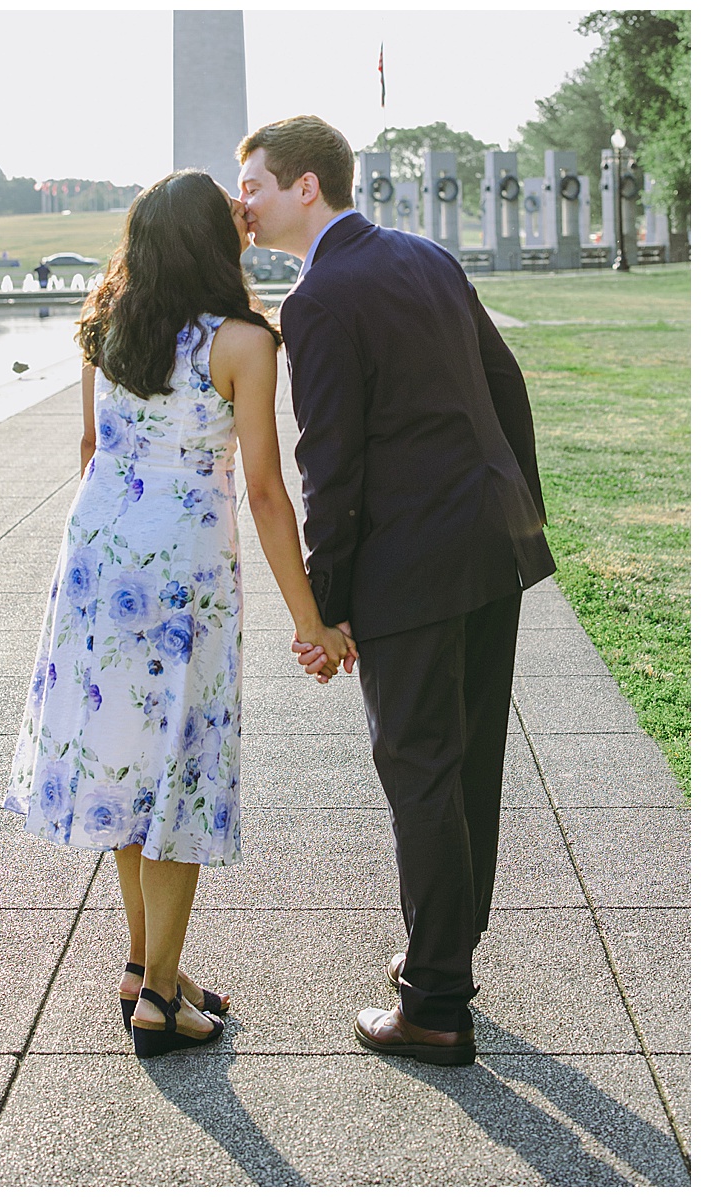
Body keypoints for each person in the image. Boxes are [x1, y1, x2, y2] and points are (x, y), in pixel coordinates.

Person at [4, 170, 352, 1058]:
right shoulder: (241, 341)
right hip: (183, 568)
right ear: (212, 242)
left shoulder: (105, 325)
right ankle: (160, 996)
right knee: (182, 771)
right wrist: (309, 618)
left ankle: (144, 962)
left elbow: (90, 448)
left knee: (126, 761)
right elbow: (268, 492)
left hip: (97, 557)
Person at [236, 115, 555, 1065]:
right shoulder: (426, 255)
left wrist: (325, 604)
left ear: (305, 187)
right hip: (490, 549)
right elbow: (508, 386)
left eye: (252, 182)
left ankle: (435, 1004)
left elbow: (330, 467)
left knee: (420, 770)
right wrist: (519, 513)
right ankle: (444, 953)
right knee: (470, 765)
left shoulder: (321, 299)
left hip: (413, 570)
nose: (241, 201)